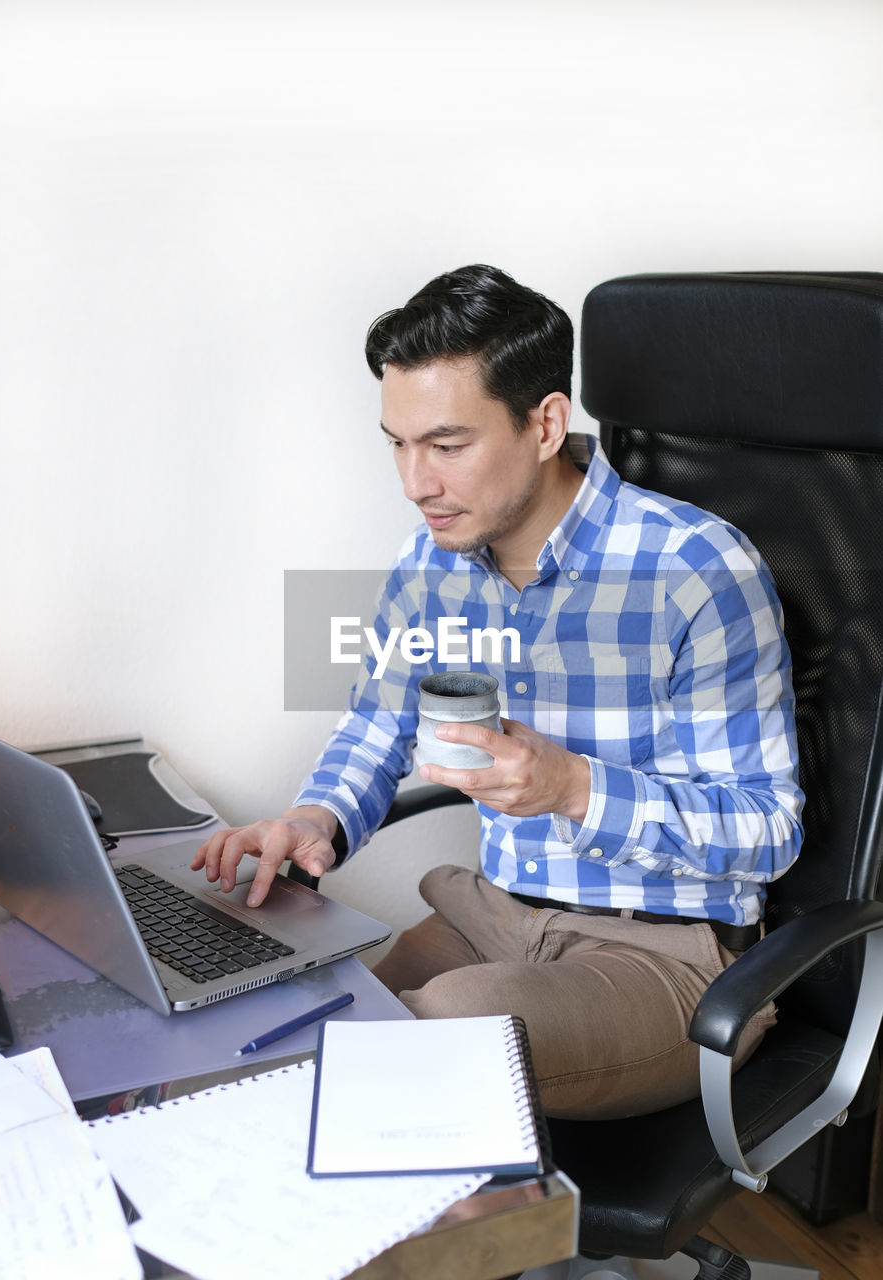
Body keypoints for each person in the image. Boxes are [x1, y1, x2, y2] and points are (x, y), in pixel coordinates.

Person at [192, 264, 803, 1119]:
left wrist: (572, 787)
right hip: (493, 917)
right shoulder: (430, 564)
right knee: (289, 1033)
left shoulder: (697, 571)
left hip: (663, 956)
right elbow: (377, 726)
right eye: (397, 444)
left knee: (434, 1038)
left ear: (546, 422)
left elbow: (767, 834)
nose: (416, 483)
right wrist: (313, 820)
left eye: (447, 445)